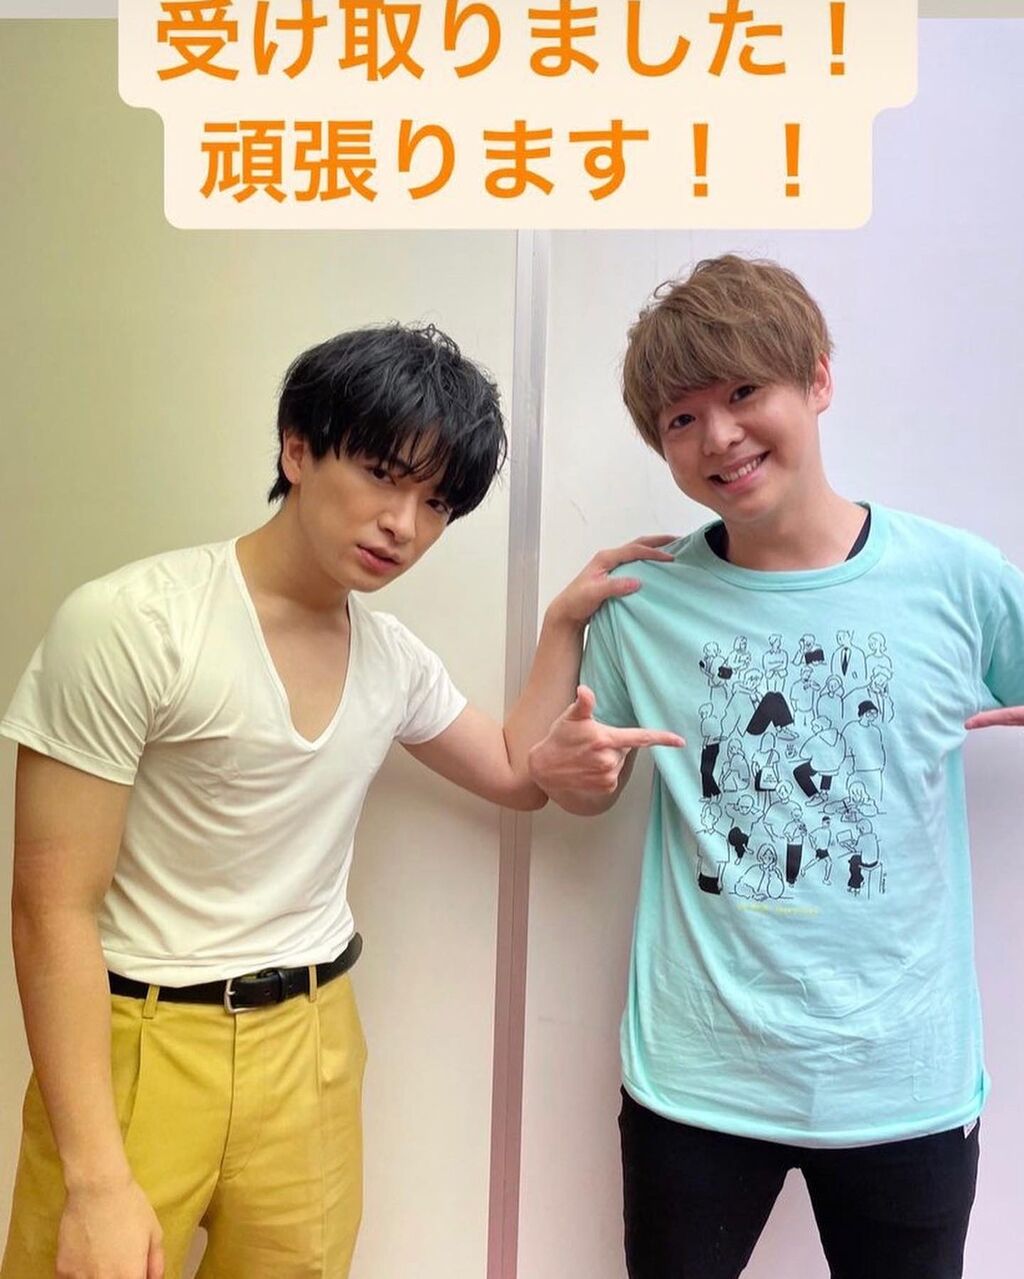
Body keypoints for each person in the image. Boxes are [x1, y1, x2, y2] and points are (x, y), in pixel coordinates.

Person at [0, 324, 679, 1279]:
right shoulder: (136, 622)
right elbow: (49, 907)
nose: (404, 524)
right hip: (140, 1039)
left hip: (312, 1039)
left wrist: (563, 622)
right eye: (381, 474)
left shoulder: (392, 658)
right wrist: (96, 1179)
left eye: (436, 502)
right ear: (296, 448)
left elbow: (515, 773)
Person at [527, 255, 1024, 1279]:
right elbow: (570, 779)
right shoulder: (644, 602)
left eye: (745, 392)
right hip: (698, 1082)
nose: (719, 436)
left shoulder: (956, 580)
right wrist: (572, 773)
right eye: (682, 418)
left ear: (818, 379)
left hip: (904, 1081)